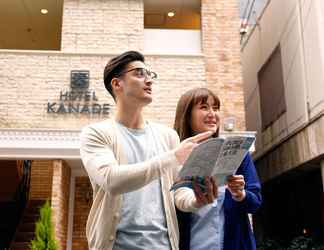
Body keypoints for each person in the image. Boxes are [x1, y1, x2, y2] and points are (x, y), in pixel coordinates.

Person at [79, 51, 212, 250]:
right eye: (140, 73)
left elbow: (178, 191)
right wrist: (173, 157)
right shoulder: (96, 133)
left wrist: (195, 201)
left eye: (150, 74)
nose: (149, 80)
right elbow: (111, 180)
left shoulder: (167, 136)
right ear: (117, 84)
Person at [173, 87, 262, 250]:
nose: (212, 114)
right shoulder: (173, 155)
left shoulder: (239, 154)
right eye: (204, 107)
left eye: (215, 108)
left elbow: (255, 202)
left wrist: (240, 194)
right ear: (187, 115)